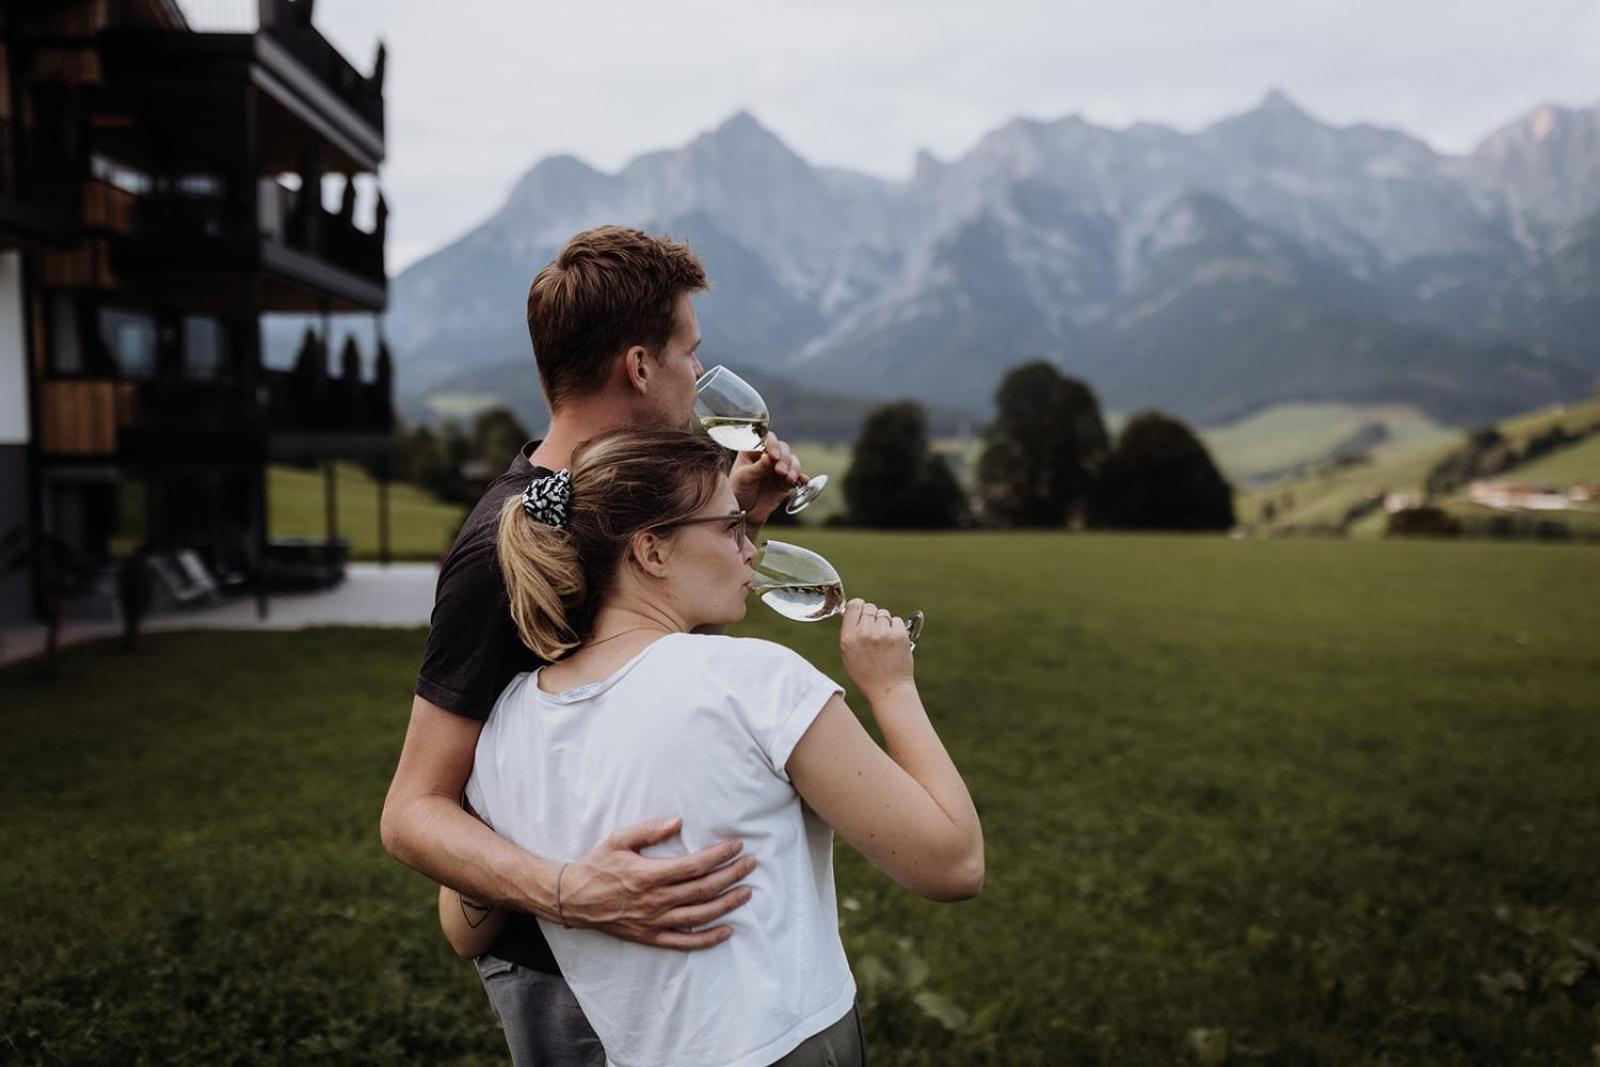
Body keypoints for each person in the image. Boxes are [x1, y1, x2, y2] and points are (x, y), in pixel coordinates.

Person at [379, 226, 810, 1064]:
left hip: (668, 948)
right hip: (567, 972)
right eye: (690, 352)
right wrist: (575, 891)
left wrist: (739, 519)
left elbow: (663, 662)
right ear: (641, 367)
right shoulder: (500, 547)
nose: (698, 376)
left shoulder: (618, 504)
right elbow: (410, 811)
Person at [439, 428, 984, 1066]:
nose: (750, 551)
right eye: (730, 528)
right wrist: (891, 687)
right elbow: (953, 865)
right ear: (652, 551)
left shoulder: (504, 724)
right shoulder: (757, 680)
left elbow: (462, 932)